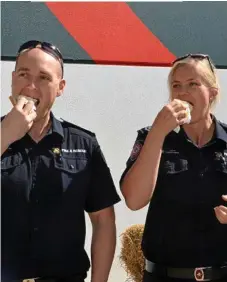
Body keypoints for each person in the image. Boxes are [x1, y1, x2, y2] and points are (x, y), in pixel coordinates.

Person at [1, 40, 121, 282]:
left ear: (60, 87)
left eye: (44, 78)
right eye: (24, 74)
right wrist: (6, 134)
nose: (31, 86)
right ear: (13, 78)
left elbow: (104, 220)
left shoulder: (83, 144)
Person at [120, 54, 227, 282]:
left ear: (213, 92)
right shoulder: (152, 136)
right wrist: (159, 132)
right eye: (176, 86)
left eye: (193, 84)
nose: (182, 93)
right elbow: (134, 200)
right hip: (163, 276)